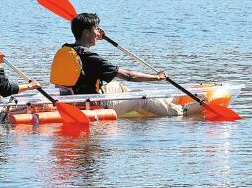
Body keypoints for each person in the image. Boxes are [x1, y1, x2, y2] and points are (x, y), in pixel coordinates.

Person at [54, 13, 183, 117]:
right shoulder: (90, 58)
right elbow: (129, 76)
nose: (98, 31)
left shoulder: (66, 50)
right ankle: (180, 111)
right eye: (95, 29)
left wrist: (96, 35)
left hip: (75, 98)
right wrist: (157, 77)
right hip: (95, 105)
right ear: (86, 32)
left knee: (118, 86)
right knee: (141, 98)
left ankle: (164, 103)